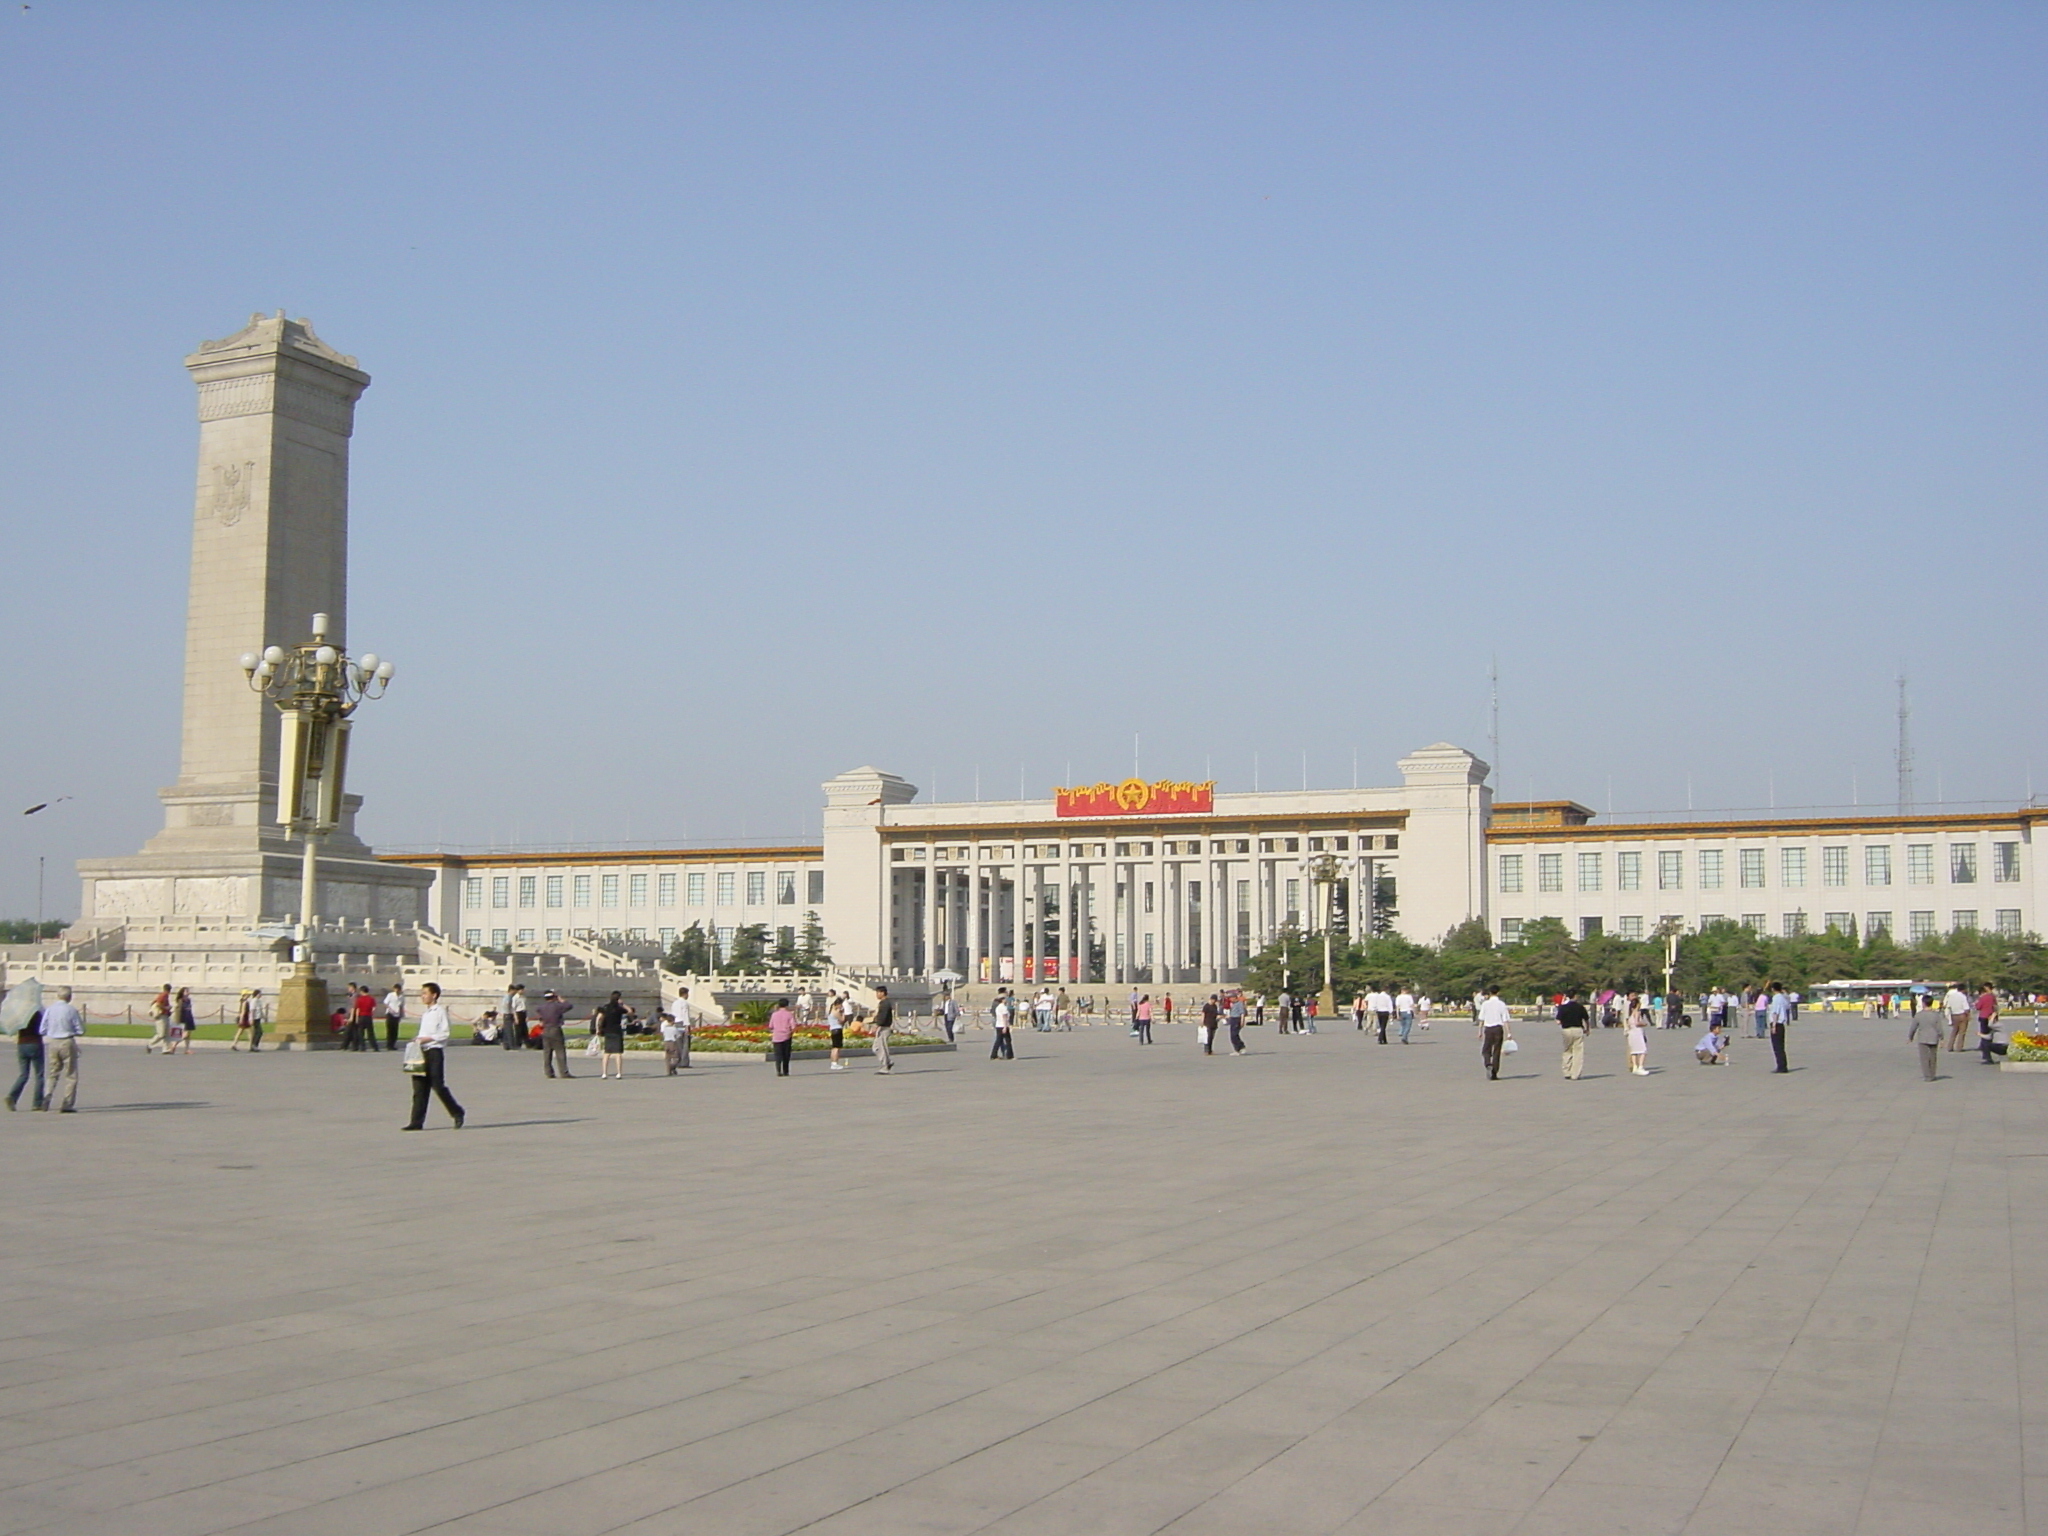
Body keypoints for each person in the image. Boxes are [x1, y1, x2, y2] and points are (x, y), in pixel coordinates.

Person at [403, 982, 464, 1130]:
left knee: (438, 1085)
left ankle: (457, 1112)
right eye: (422, 993)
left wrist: (427, 1039)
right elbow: (424, 1032)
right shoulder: (426, 1013)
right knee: (419, 1089)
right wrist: (417, 1039)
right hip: (421, 1051)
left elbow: (444, 1033)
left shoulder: (440, 1011)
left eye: (425, 993)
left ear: (434, 995)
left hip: (434, 1051)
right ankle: (416, 1122)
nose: (422, 996)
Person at [6, 984, 44, 1111]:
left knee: (23, 1074)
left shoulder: (19, 1014)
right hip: (35, 1043)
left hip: (21, 1044)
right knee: (39, 1074)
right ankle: (37, 1103)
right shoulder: (37, 1013)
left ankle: (12, 1096)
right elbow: (42, 1029)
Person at [534, 989, 573, 1078]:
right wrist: (561, 999)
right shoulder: (557, 1006)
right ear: (554, 997)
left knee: (547, 1052)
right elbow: (569, 1006)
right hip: (555, 1029)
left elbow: (540, 1015)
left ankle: (548, 1072)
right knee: (560, 1051)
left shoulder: (541, 1007)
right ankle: (564, 1072)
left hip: (545, 1029)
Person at [1477, 986, 1512, 1079]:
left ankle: (1488, 1063)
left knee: (1486, 1049)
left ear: (1489, 993)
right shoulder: (1501, 1004)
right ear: (1498, 993)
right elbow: (1505, 1019)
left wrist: (1479, 1031)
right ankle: (1494, 1072)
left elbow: (1481, 1019)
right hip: (1498, 1028)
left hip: (1488, 1029)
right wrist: (1509, 1033)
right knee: (1497, 1050)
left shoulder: (1485, 1004)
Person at [1556, 991, 1590, 1080]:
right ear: (1575, 996)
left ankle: (1566, 1071)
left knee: (1567, 1050)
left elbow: (1558, 1021)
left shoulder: (1563, 1007)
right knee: (1578, 1052)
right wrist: (1587, 1029)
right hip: (1578, 1029)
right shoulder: (1580, 1007)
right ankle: (1575, 1074)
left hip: (1566, 1030)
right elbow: (1586, 1019)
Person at [1907, 1000, 1944, 1081]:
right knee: (1933, 1057)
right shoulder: (1936, 1015)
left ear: (1923, 1003)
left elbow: (1913, 1027)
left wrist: (1910, 1037)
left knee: (1924, 1058)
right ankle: (1932, 1074)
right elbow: (1939, 1028)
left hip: (1922, 1038)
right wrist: (1941, 1038)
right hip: (1934, 1038)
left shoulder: (1919, 1015)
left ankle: (1927, 1076)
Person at [595, 991, 628, 1079]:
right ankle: (619, 1073)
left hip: (607, 1031)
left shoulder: (605, 1007)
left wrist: (598, 1029)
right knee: (618, 1053)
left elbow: (599, 1018)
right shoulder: (619, 1008)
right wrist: (623, 1004)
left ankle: (604, 1073)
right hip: (617, 1031)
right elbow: (630, 1012)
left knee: (607, 1053)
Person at [663, 987, 692, 1074]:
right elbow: (685, 1014)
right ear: (685, 994)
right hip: (683, 1023)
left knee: (678, 1044)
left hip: (676, 1023)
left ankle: (678, 1061)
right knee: (685, 1044)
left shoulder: (674, 1003)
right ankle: (684, 1062)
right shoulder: (685, 1003)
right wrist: (687, 1025)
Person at [768, 998, 797, 1076]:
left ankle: (778, 1070)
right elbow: (793, 1026)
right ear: (787, 1005)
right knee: (786, 1054)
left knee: (778, 1054)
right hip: (787, 1036)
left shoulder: (774, 1014)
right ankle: (785, 1071)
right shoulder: (789, 1014)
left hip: (776, 1036)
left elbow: (770, 1026)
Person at [870, 984, 895, 1072]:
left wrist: (877, 1025)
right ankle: (888, 1061)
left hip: (884, 1027)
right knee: (876, 1047)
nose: (876, 995)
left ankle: (885, 1066)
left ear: (882, 993)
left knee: (881, 1047)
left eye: (877, 993)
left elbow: (882, 1016)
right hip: (882, 1026)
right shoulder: (884, 1003)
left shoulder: (885, 1003)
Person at [1767, 983, 1791, 1073]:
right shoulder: (1783, 997)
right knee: (1781, 1046)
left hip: (1776, 1023)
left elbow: (1775, 1012)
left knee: (1777, 1047)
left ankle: (1781, 1066)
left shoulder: (1776, 998)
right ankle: (1783, 1065)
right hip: (1781, 1024)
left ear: (1773, 989)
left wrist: (1773, 1025)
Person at [1943, 983, 1972, 1053]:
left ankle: (1950, 1046)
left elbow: (1948, 1006)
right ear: (1963, 989)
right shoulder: (1962, 996)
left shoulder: (1951, 996)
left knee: (1954, 1031)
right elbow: (1966, 1008)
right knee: (1962, 1032)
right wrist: (1969, 1015)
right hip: (1962, 1015)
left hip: (1954, 1015)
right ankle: (1959, 1047)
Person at [1977, 986, 2001, 1065]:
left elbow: (1978, 1007)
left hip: (1983, 1016)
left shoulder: (1982, 998)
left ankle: (1986, 1055)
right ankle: (1988, 1050)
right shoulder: (1992, 997)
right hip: (1991, 1017)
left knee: (1984, 1036)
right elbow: (1996, 1006)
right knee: (1990, 1035)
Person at [351, 982, 379, 1051]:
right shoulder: (371, 999)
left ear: (361, 991)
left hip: (361, 1016)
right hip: (368, 1016)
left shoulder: (359, 999)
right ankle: (375, 1047)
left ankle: (362, 1047)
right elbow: (374, 1008)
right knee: (370, 1033)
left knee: (361, 1033)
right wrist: (372, 1014)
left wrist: (357, 1018)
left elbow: (357, 1009)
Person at [167, 986, 195, 1054]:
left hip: (189, 1018)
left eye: (188, 991)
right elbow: (178, 1010)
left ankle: (187, 1049)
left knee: (188, 1036)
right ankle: (174, 1045)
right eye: (186, 991)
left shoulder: (188, 1000)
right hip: (183, 1018)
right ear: (183, 993)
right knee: (185, 1034)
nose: (188, 993)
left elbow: (189, 1009)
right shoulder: (181, 1000)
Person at [501, 983, 528, 1051]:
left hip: (508, 1014)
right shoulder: (510, 997)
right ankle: (511, 1045)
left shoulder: (507, 997)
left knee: (507, 1030)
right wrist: (514, 1015)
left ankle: (506, 1044)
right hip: (509, 1014)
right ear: (511, 990)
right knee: (510, 1030)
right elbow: (510, 1007)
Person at [990, 989, 1015, 1060]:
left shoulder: (998, 1007)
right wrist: (1006, 1026)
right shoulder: (1003, 1007)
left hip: (999, 1025)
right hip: (1003, 1025)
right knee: (1007, 1040)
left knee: (999, 1040)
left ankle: (994, 1055)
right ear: (1003, 999)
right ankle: (1009, 1055)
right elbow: (1004, 1017)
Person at [146, 984, 171, 1053]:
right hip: (161, 1016)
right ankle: (150, 1044)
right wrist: (166, 1008)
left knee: (167, 1034)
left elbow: (154, 1002)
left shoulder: (165, 995)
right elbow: (158, 1004)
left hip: (165, 1015)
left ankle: (166, 1049)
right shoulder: (163, 995)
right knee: (161, 1034)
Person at [1626, 1006, 1649, 1076]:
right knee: (1643, 1050)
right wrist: (1644, 1024)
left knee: (1634, 1051)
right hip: (1637, 1032)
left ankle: (1635, 1067)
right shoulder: (1637, 1013)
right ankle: (1640, 1067)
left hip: (1631, 1033)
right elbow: (1637, 1023)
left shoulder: (1629, 1015)